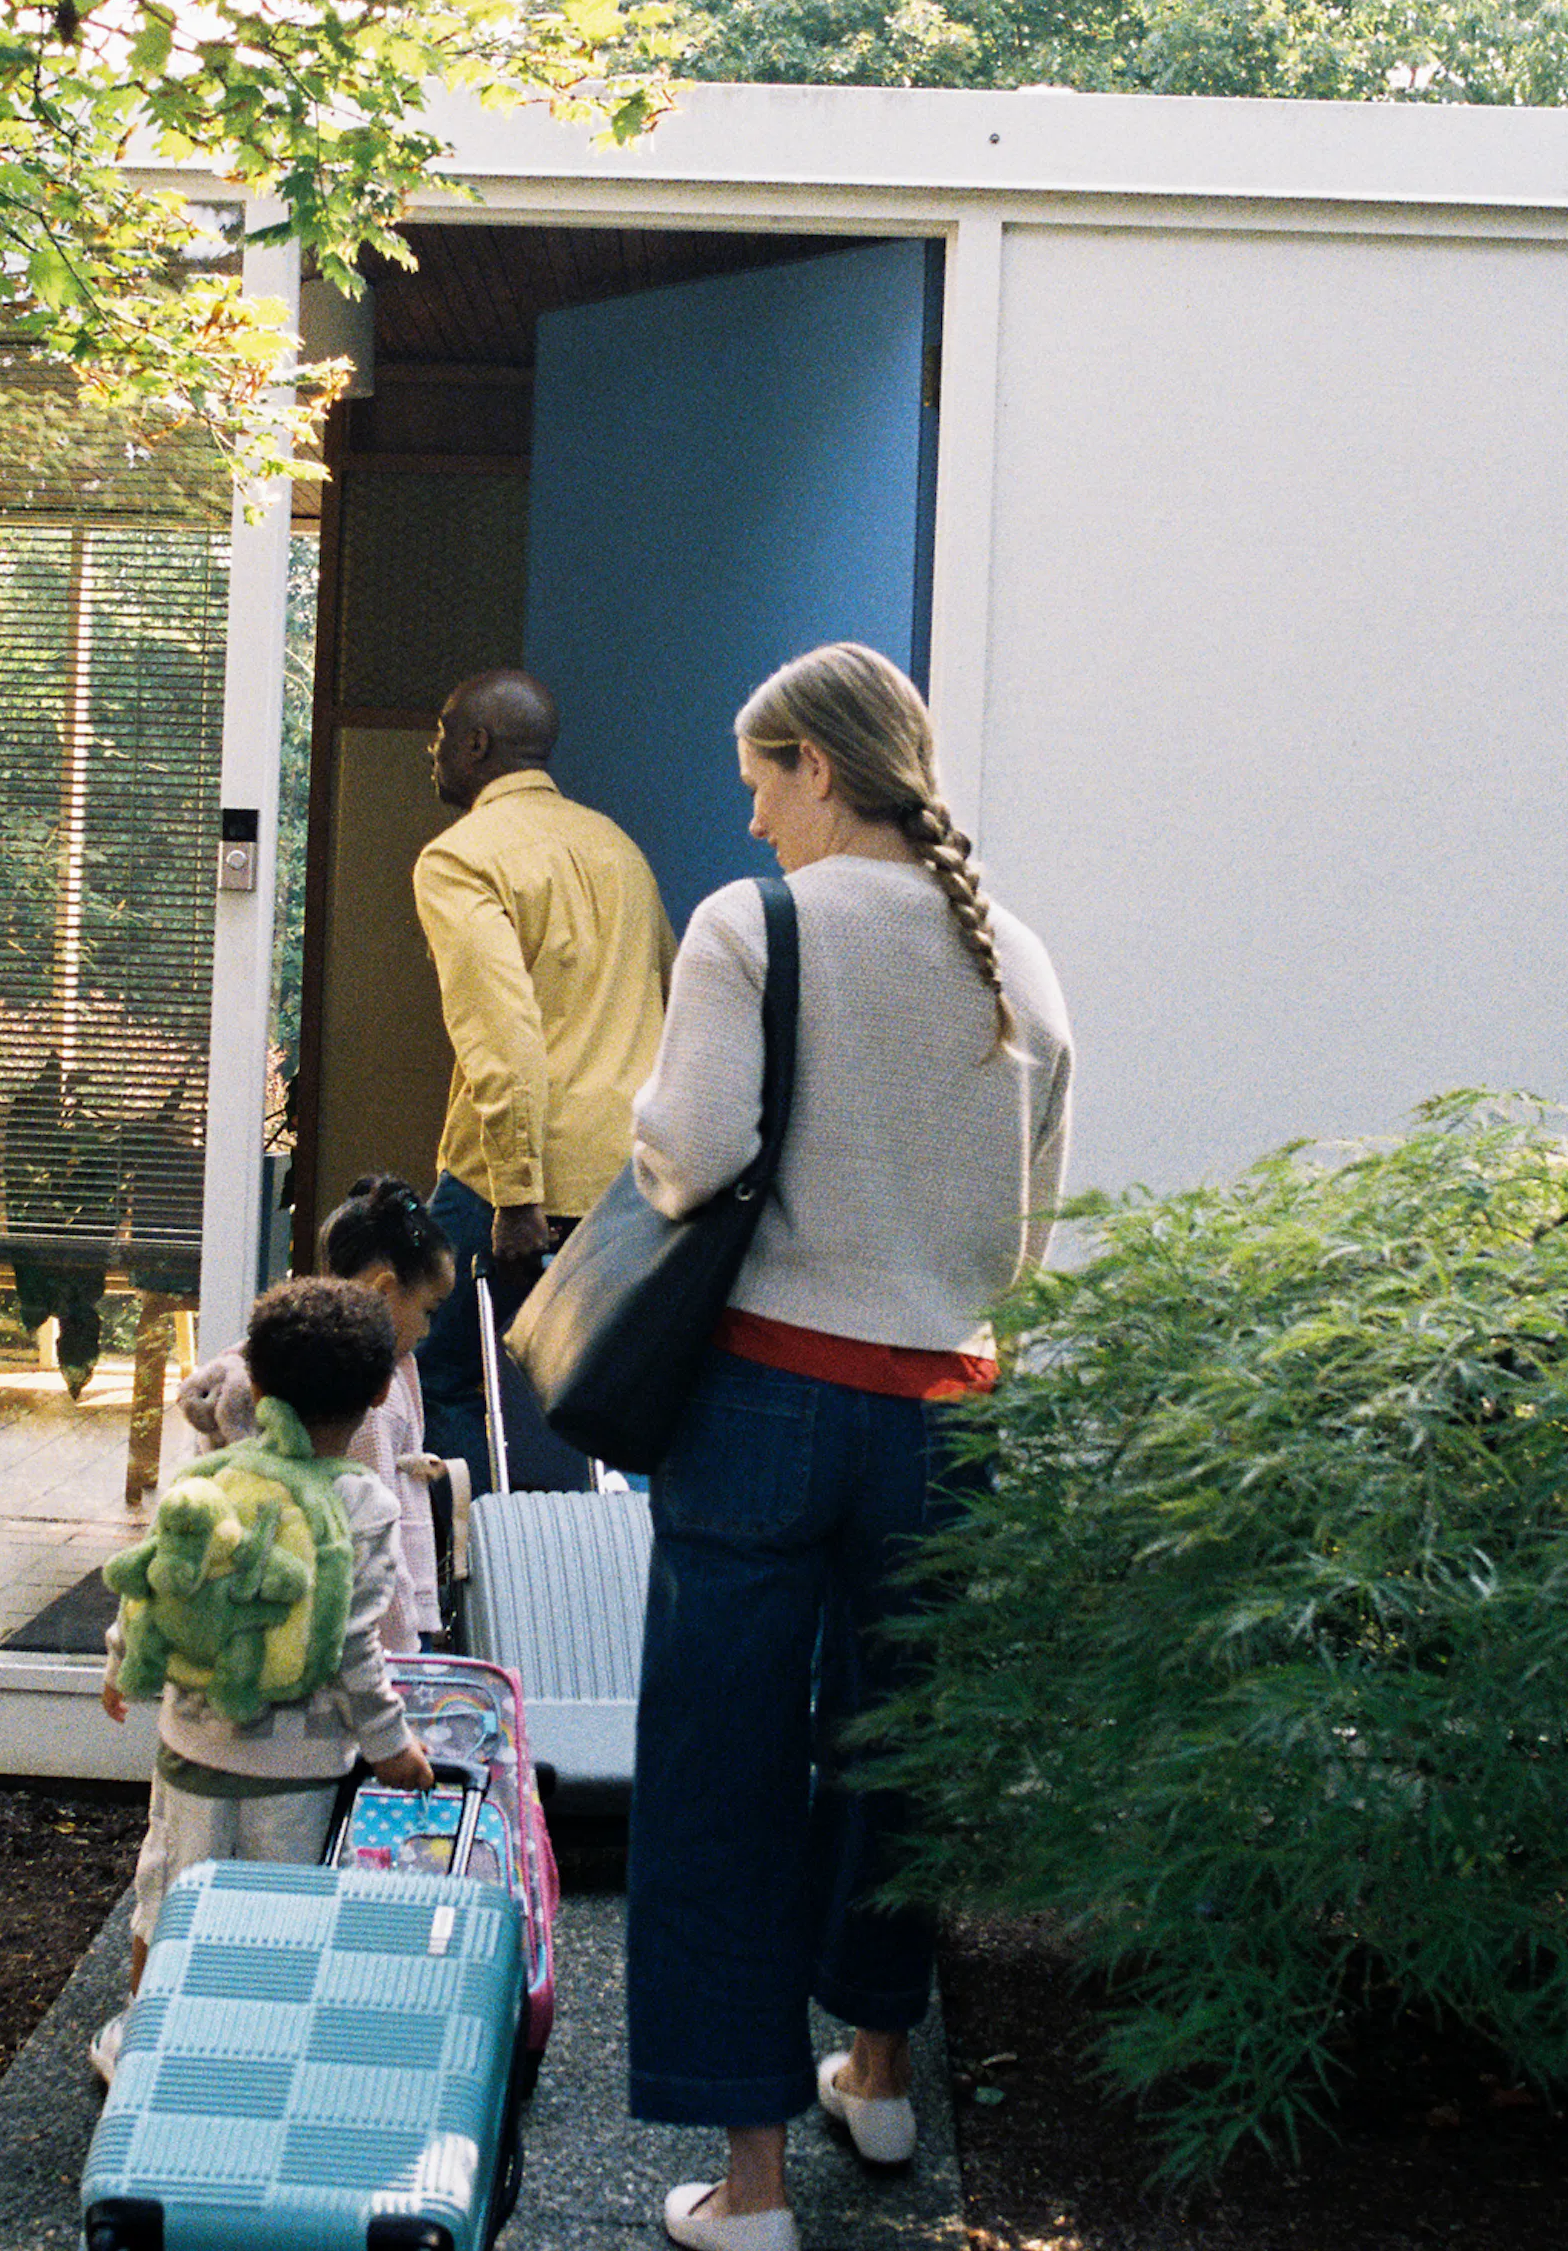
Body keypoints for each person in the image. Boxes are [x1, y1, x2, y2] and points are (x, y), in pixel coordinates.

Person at [622, 642, 1075, 2251]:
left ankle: (750, 2192)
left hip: (767, 1402)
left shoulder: (757, 930)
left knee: (720, 1775)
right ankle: (877, 2078)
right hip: (948, 1416)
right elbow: (1024, 1236)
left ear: (820, 763)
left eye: (762, 781)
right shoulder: (1022, 958)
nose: (751, 821)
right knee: (898, 1758)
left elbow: (692, 1153)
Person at [93, 1276, 436, 2083]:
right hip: (299, 1766)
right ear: (382, 1390)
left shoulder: (215, 1473)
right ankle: (252, 2060)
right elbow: (356, 1647)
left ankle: (145, 2050)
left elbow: (154, 1579)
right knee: (278, 1914)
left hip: (193, 1745)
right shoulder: (363, 1502)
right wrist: (392, 1746)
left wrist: (118, 1662)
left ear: (260, 1383)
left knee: (169, 1889)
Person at [413, 667, 675, 1492]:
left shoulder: (459, 859)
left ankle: (480, 1579)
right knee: (604, 1391)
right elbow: (676, 999)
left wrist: (520, 1194)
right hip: (629, 1178)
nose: (433, 751)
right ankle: (609, 1584)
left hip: (513, 1181)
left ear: (477, 745)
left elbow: (503, 1035)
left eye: (443, 733)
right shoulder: (616, 846)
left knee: (437, 1369)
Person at [170, 1173, 460, 1655]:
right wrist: (406, 1647)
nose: (430, 1328)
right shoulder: (365, 1397)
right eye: (430, 1309)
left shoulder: (289, 1357)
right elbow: (372, 1542)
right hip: (356, 1633)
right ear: (385, 1292)